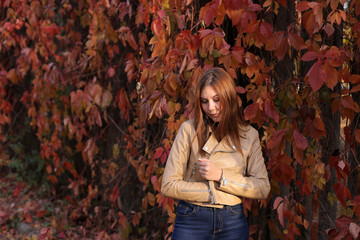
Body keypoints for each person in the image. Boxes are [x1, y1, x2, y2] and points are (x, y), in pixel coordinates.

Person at [161, 67, 271, 240]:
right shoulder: (189, 130)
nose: (211, 108)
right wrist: (212, 193)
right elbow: (168, 184)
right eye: (204, 101)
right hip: (192, 218)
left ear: (228, 96)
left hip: (232, 221)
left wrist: (221, 176)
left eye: (216, 100)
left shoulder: (249, 135)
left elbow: (263, 188)